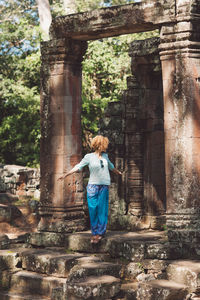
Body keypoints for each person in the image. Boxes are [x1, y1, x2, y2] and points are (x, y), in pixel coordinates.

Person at [58, 135, 122, 244]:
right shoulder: (89, 157)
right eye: (104, 145)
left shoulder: (105, 156)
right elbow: (79, 166)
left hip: (104, 186)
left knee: (102, 209)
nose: (106, 147)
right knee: (93, 209)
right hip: (93, 186)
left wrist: (119, 173)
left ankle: (100, 233)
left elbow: (111, 167)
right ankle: (94, 232)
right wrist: (66, 174)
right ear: (99, 145)